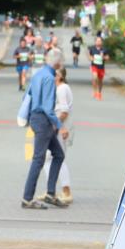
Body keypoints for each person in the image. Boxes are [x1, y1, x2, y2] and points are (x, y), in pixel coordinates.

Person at [21, 48, 69, 209]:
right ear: (56, 62)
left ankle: (50, 193)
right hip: (43, 120)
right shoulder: (49, 78)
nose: (61, 64)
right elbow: (49, 108)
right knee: (38, 159)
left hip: (36, 118)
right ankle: (27, 198)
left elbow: (27, 96)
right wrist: (60, 126)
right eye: (61, 61)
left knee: (58, 154)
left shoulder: (38, 74)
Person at [41, 66, 74, 205]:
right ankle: (51, 190)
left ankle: (66, 191)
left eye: (54, 75)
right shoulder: (59, 88)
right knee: (49, 159)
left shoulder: (62, 89)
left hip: (60, 128)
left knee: (58, 158)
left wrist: (57, 127)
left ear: (59, 76)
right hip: (58, 127)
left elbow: (64, 111)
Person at [87, 36, 109, 100]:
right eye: (97, 41)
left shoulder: (104, 49)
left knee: (100, 81)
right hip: (94, 66)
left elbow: (108, 57)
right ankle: (95, 92)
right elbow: (89, 56)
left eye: (100, 41)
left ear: (102, 42)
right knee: (95, 77)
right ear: (95, 42)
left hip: (101, 67)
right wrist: (91, 58)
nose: (98, 42)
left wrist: (103, 57)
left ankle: (99, 93)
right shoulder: (92, 48)